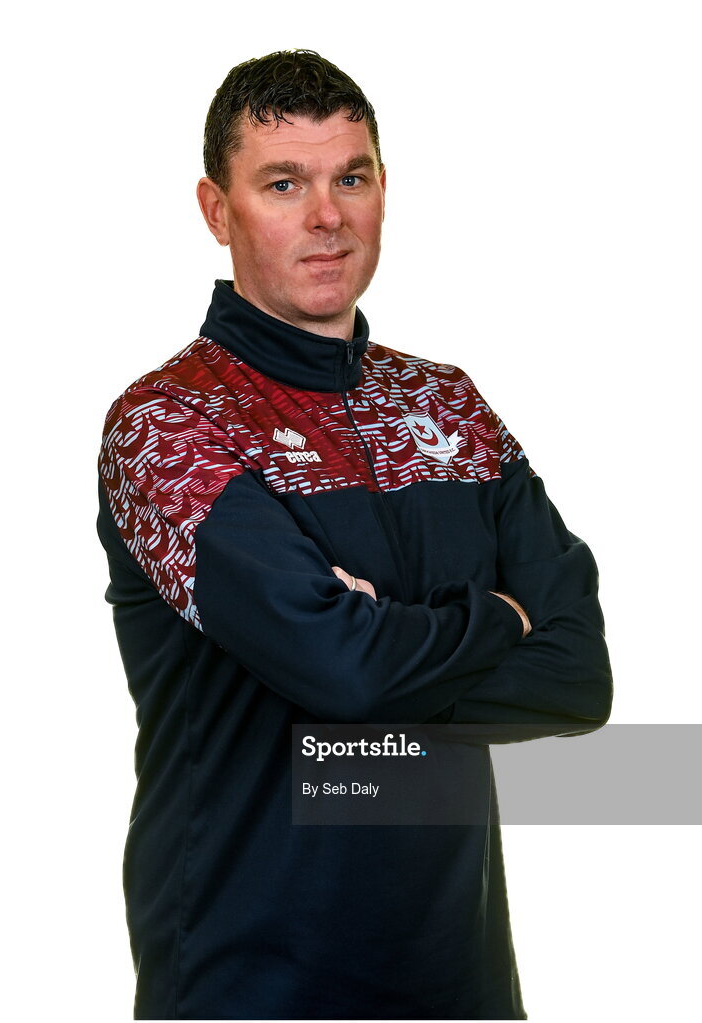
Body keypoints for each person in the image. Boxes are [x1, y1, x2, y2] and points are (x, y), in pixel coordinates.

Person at [97, 49, 612, 1020]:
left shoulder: (449, 407)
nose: (326, 216)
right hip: (249, 977)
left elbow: (578, 675)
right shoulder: (169, 424)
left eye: (351, 178)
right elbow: (343, 672)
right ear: (217, 210)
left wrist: (372, 645)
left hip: (459, 983)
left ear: (382, 191)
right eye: (283, 183)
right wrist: (501, 617)